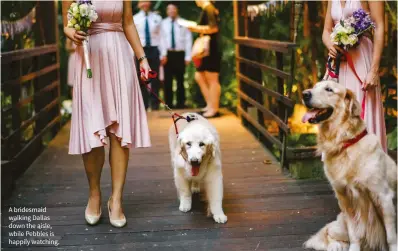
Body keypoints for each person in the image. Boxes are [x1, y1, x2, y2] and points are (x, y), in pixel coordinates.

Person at [62, 0, 151, 228]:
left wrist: (142, 58)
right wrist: (73, 32)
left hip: (119, 56)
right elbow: (66, 25)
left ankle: (117, 199)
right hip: (89, 55)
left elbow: (128, 22)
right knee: (92, 129)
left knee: (119, 131)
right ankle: (95, 194)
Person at [323, 0, 387, 151]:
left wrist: (374, 70)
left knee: (360, 110)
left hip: (361, 61)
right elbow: (326, 30)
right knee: (339, 111)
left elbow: (379, 27)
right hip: (340, 62)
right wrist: (330, 45)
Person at [187, 0, 221, 118]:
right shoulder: (207, 9)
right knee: (199, 76)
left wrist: (195, 28)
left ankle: (214, 108)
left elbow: (213, 28)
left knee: (212, 77)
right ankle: (210, 104)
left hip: (211, 47)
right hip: (206, 47)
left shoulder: (209, 8)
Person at [160, 2, 192, 109]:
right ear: (167, 11)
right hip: (168, 54)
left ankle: (181, 103)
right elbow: (162, 40)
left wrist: (188, 56)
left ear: (177, 10)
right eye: (169, 9)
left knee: (180, 79)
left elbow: (188, 40)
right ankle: (168, 104)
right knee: (167, 80)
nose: (171, 11)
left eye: (173, 9)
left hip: (180, 54)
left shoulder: (184, 23)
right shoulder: (163, 23)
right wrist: (163, 54)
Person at [134, 1, 162, 110]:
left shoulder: (157, 18)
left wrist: (163, 53)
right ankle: (143, 104)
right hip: (140, 50)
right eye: (142, 1)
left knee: (154, 76)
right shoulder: (134, 19)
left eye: (146, 1)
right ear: (139, 4)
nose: (145, 3)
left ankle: (155, 104)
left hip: (154, 49)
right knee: (141, 77)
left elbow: (161, 36)